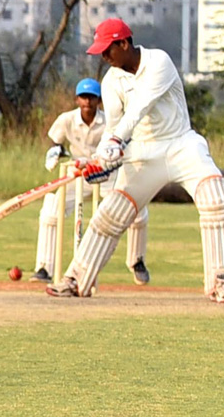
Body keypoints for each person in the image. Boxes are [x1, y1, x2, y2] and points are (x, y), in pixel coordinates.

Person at [47, 18, 224, 302]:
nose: (104, 57)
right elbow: (113, 127)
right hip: (143, 153)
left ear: (124, 43)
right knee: (112, 212)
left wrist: (115, 141)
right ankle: (76, 279)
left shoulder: (159, 61)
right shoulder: (111, 80)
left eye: (108, 49)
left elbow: (139, 108)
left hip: (181, 144)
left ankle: (222, 282)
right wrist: (100, 159)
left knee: (216, 195)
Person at [30, 79, 149, 285]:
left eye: (92, 98)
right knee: (50, 210)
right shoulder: (66, 120)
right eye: (84, 97)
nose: (87, 102)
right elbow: (55, 143)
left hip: (107, 175)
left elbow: (121, 145)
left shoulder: (110, 121)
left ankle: (136, 261)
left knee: (138, 211)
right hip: (78, 176)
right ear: (77, 99)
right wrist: (54, 153)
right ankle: (43, 268)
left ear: (99, 101)